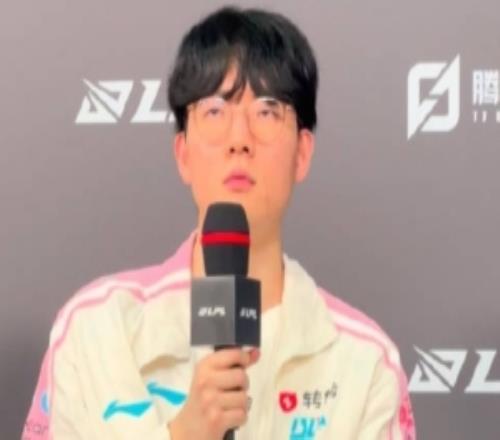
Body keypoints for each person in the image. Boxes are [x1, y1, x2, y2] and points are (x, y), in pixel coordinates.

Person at [22, 6, 415, 440]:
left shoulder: (365, 362)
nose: (239, 139)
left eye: (266, 111)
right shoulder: (97, 329)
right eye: (214, 111)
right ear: (183, 154)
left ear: (302, 153)